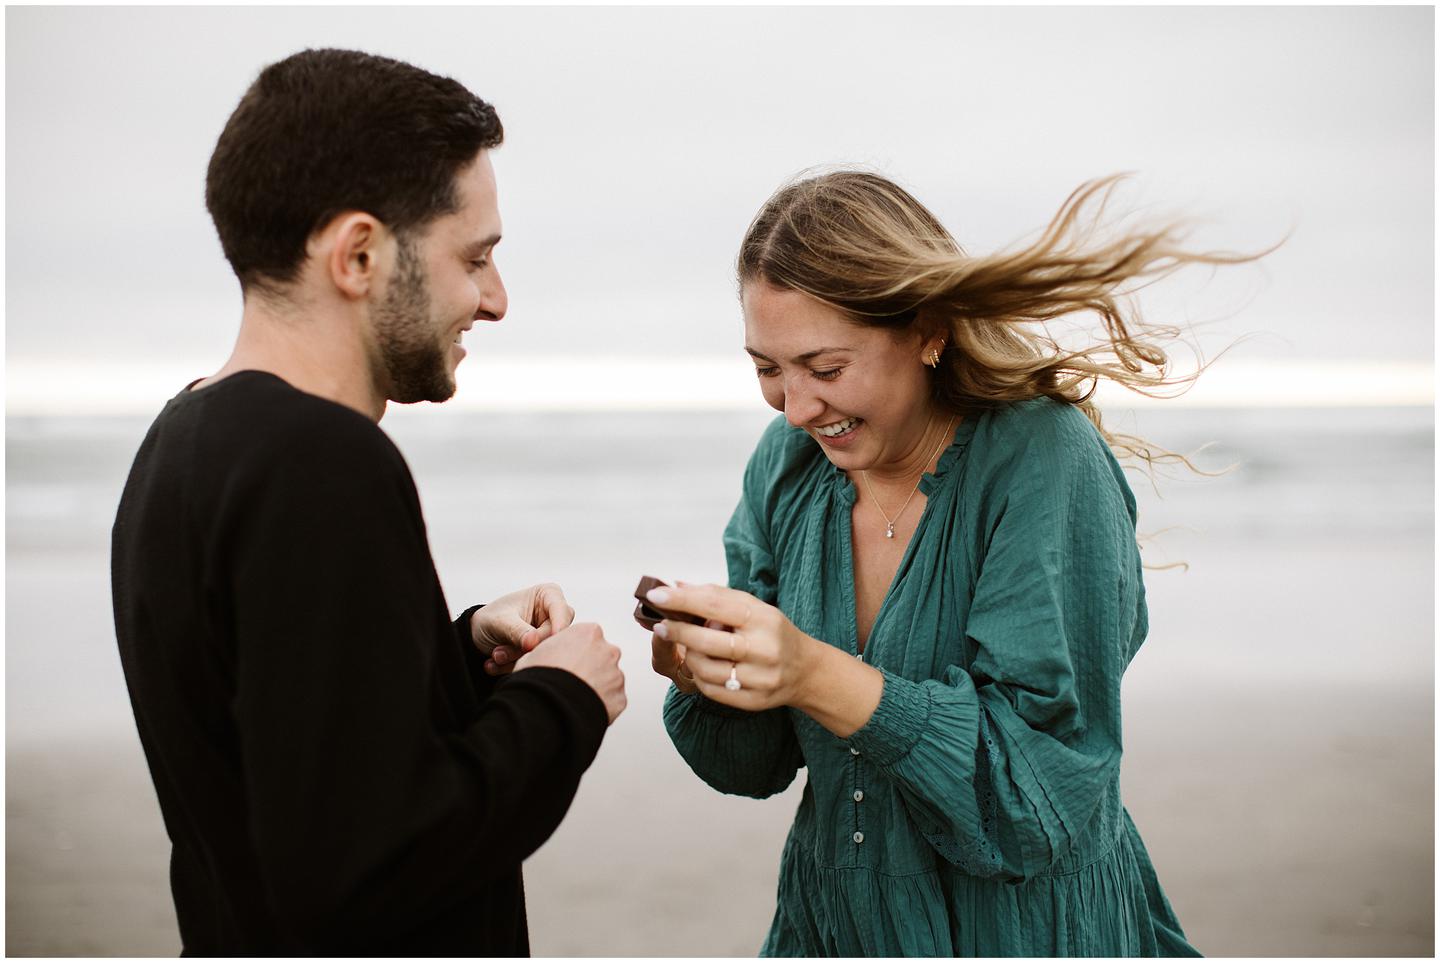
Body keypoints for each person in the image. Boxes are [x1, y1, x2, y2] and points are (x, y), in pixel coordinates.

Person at [649, 171, 1255, 956]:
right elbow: (753, 765)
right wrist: (714, 676)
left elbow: (1030, 807)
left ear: (928, 331)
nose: (795, 408)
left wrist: (810, 671)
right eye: (768, 369)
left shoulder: (1043, 462)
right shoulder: (788, 467)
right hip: (830, 930)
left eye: (825, 370)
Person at [110, 48, 626, 956]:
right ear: (358, 255)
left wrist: (456, 659)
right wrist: (562, 701)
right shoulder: (323, 461)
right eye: (475, 257)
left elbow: (281, 748)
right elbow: (368, 869)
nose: (496, 301)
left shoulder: (184, 435)